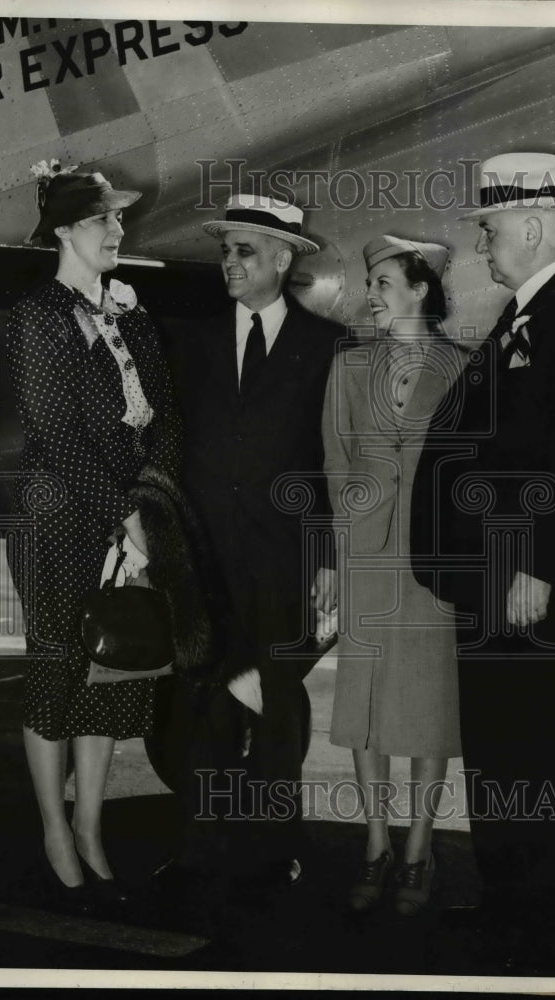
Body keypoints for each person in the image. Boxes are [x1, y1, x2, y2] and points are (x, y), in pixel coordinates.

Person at [411, 152, 555, 969]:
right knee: (501, 740)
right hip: (490, 576)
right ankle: (513, 900)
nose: (481, 242)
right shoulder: (528, 312)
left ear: (534, 225)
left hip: (522, 579)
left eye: (491, 226)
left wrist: (539, 567)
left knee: (531, 742)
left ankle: (551, 914)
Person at [6, 161, 181, 909]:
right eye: (106, 220)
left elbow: (166, 416)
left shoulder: (132, 312)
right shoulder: (38, 314)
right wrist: (125, 515)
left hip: (129, 515)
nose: (118, 231)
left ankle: (90, 828)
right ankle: (53, 830)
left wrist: (147, 498)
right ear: (68, 230)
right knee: (58, 667)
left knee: (114, 674)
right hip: (60, 515)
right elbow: (55, 429)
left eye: (117, 220)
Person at [169, 194, 342, 889]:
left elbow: (337, 460)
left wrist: (328, 553)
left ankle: (274, 848)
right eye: (225, 251)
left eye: (244, 250)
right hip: (206, 553)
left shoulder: (328, 347)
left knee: (273, 696)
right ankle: (199, 847)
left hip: (286, 554)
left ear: (282, 258)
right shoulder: (193, 342)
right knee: (205, 697)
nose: (229, 263)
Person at [321, 236, 462, 916]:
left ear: (419, 289)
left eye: (382, 281)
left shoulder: (464, 368)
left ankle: (418, 848)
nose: (369, 292)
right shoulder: (348, 368)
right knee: (367, 707)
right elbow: (334, 465)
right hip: (367, 555)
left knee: (429, 709)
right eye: (368, 280)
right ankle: (375, 845)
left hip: (434, 560)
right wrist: (334, 553)